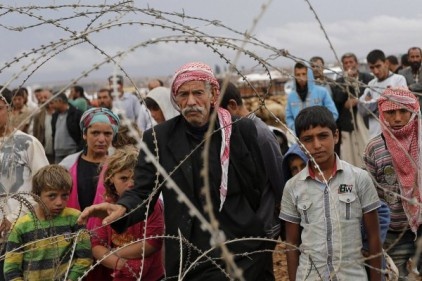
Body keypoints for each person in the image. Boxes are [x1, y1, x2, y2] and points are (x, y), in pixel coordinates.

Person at [79, 62, 275, 281]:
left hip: (242, 246)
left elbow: (257, 185)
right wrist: (122, 207)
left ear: (212, 95)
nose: (191, 101)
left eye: (198, 93)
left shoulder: (241, 131)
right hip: (192, 250)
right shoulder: (159, 138)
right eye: (183, 94)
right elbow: (143, 191)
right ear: (176, 98)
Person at [280, 105, 382, 281]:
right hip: (310, 276)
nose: (317, 145)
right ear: (300, 144)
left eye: (323, 136)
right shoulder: (292, 187)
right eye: (308, 139)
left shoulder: (359, 179)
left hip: (352, 276)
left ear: (336, 136)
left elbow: (374, 237)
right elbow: (291, 244)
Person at [363, 88, 422, 278]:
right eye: (391, 112)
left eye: (403, 111)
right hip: (392, 236)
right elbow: (369, 196)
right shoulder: (374, 148)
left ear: (413, 111)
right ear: (382, 113)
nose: (397, 118)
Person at [219, 80, 284, 239]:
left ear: (232, 106)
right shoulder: (231, 134)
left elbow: (278, 178)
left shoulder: (260, 135)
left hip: (263, 223)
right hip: (245, 224)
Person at [4, 164, 92, 280]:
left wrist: (71, 278)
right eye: (52, 196)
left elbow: (85, 258)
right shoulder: (21, 226)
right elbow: (11, 269)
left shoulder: (75, 219)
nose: (59, 202)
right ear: (36, 196)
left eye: (64, 195)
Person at [91, 147, 164, 280]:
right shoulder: (108, 205)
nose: (130, 184)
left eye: (135, 179)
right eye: (123, 178)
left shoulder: (152, 205)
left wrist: (112, 253)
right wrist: (121, 265)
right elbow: (96, 245)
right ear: (111, 178)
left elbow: (153, 243)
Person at [0, 87, 49, 281]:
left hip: (21, 232)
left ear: (10, 109)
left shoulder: (27, 143)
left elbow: (45, 187)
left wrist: (14, 217)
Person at [60, 107, 120, 212]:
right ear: (84, 134)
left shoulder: (119, 165)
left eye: (107, 134)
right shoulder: (67, 165)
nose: (101, 139)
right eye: (95, 133)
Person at [332, 52, 373, 166]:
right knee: (349, 155)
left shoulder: (368, 78)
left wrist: (357, 100)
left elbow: (371, 96)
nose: (349, 65)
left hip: (365, 120)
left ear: (357, 63)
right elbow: (339, 99)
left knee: (367, 149)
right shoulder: (339, 82)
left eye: (351, 62)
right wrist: (347, 81)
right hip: (347, 123)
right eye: (346, 63)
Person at [358, 49, 407, 140]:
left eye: (378, 66)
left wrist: (372, 103)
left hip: (394, 135)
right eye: (372, 67)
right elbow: (361, 109)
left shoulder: (398, 80)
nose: (376, 71)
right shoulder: (371, 84)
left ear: (386, 63)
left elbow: (397, 106)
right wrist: (385, 100)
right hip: (375, 136)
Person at [285, 62, 338, 133]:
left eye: (304, 74)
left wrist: (320, 127)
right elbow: (288, 117)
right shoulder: (291, 96)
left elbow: (333, 114)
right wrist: (295, 128)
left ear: (309, 74)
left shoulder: (322, 92)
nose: (301, 77)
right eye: (298, 75)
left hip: (320, 133)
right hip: (300, 136)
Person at [51, 92, 84, 163]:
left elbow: (82, 133)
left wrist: (79, 150)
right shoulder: (55, 116)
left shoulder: (76, 114)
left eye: (54, 102)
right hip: (58, 154)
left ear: (60, 101)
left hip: (72, 152)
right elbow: (53, 134)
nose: (52, 105)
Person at [31, 88, 55, 163]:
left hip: (57, 152)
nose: (43, 100)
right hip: (44, 151)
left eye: (45, 98)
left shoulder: (58, 114)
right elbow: (36, 133)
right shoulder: (38, 116)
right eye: (41, 98)